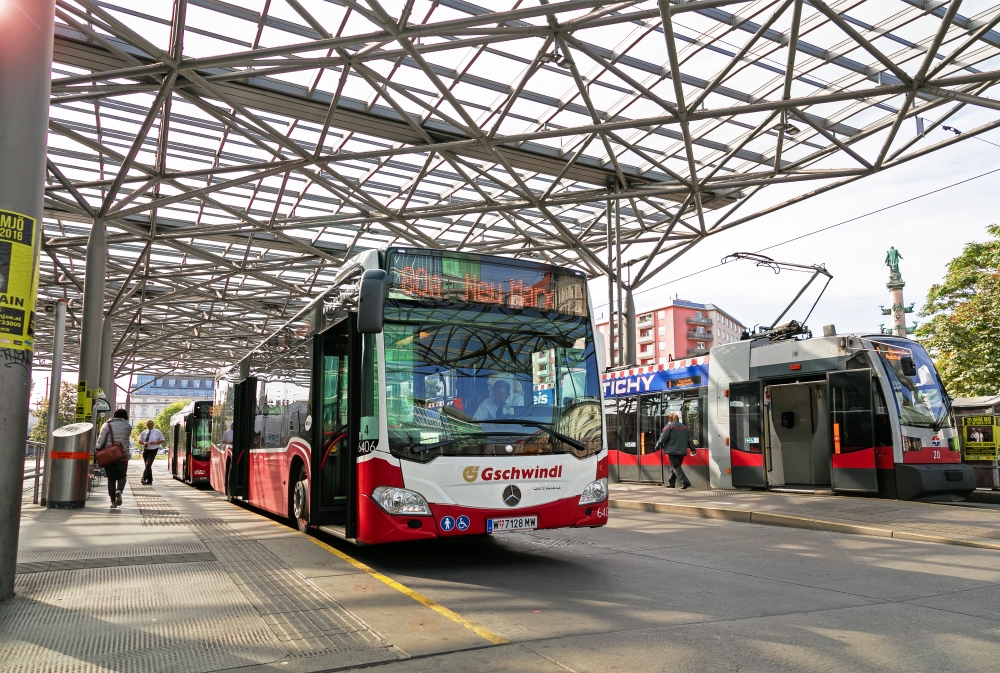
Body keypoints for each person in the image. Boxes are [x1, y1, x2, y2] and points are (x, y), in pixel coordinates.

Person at [95, 409, 132, 508]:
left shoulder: (107, 425)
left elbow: (100, 441)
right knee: (122, 476)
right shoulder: (128, 426)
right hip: (122, 456)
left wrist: (97, 449)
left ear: (114, 415)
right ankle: (119, 490)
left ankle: (113, 502)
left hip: (109, 456)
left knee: (111, 479)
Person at [655, 412, 697, 489]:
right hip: (682, 451)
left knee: (675, 466)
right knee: (675, 466)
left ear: (670, 419)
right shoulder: (684, 428)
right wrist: (693, 449)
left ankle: (685, 482)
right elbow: (690, 440)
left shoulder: (669, 427)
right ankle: (671, 483)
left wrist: (657, 446)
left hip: (672, 450)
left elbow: (663, 438)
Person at [138, 419, 165, 485]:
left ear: (153, 424)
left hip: (153, 449)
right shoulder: (144, 432)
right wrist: (144, 443)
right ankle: (150, 480)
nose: (149, 425)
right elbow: (139, 441)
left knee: (148, 464)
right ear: (146, 425)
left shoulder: (157, 431)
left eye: (150, 424)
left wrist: (155, 442)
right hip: (146, 449)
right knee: (147, 465)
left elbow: (162, 440)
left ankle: (143, 478)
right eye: (148, 424)